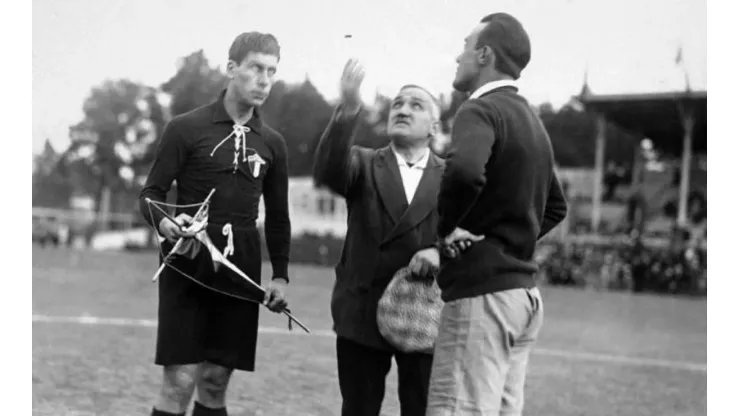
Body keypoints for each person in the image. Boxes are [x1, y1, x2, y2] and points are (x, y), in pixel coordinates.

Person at [139, 32, 292, 416]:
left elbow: (278, 215)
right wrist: (169, 224)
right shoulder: (185, 128)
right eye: (256, 68)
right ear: (231, 69)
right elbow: (150, 195)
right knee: (180, 380)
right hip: (188, 262)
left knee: (214, 381)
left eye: (271, 72)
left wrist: (281, 276)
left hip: (240, 268)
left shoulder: (273, 143)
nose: (264, 80)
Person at [426, 13, 569, 416]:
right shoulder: (532, 121)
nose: (459, 56)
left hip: (483, 297)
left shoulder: (480, 109)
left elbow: (466, 172)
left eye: (466, 45)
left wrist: (446, 231)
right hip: (523, 299)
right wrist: (507, 240)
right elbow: (555, 207)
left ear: (484, 54)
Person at [312, 59, 448, 416]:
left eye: (416, 105)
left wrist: (439, 252)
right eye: (398, 104)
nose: (402, 109)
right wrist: (349, 109)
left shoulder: (451, 177)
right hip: (361, 311)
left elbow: (471, 233)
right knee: (358, 408)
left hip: (425, 315)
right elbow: (327, 170)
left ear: (434, 126)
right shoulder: (363, 162)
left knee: (421, 409)